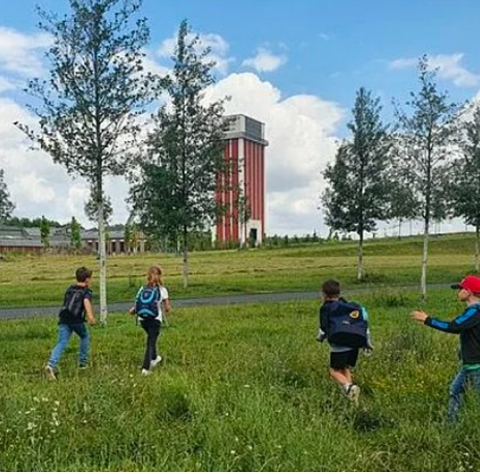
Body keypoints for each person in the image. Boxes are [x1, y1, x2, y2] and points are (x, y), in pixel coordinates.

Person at [411, 275, 480, 423]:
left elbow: (454, 327)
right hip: (470, 363)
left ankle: (458, 426)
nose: (458, 292)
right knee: (455, 390)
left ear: (469, 292)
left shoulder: (474, 311)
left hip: (475, 364)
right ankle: (452, 425)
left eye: (461, 289)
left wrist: (427, 320)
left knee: (468, 395)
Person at [317, 279, 372, 404]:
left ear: (324, 294)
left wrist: (320, 338)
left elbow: (323, 328)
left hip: (339, 344)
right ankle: (351, 397)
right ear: (339, 293)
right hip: (355, 344)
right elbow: (364, 323)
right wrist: (367, 343)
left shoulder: (326, 308)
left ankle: (349, 387)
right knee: (345, 368)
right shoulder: (350, 306)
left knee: (334, 371)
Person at [45, 266, 96, 380]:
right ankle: (83, 363)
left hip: (64, 318)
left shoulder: (70, 288)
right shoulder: (86, 291)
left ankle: (51, 364)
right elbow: (86, 301)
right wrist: (90, 317)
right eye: (90, 279)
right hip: (76, 319)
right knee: (84, 336)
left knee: (61, 342)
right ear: (87, 279)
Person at [129, 265, 171, 375]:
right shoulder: (162, 290)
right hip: (155, 319)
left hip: (143, 319)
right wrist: (165, 308)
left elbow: (136, 305)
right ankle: (146, 368)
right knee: (151, 342)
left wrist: (133, 311)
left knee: (151, 339)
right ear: (160, 276)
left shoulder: (142, 289)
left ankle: (155, 358)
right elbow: (167, 308)